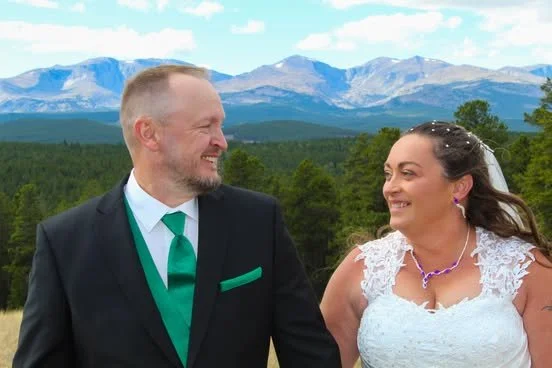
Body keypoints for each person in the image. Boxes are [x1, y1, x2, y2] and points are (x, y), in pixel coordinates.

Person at [13, 65, 341, 368]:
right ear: (149, 134)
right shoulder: (65, 243)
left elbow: (310, 355)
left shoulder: (258, 221)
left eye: (221, 125)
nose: (222, 142)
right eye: (205, 126)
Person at [321, 121, 552, 368]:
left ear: (459, 187)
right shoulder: (362, 268)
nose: (390, 188)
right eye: (388, 174)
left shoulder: (526, 270)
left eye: (408, 173)